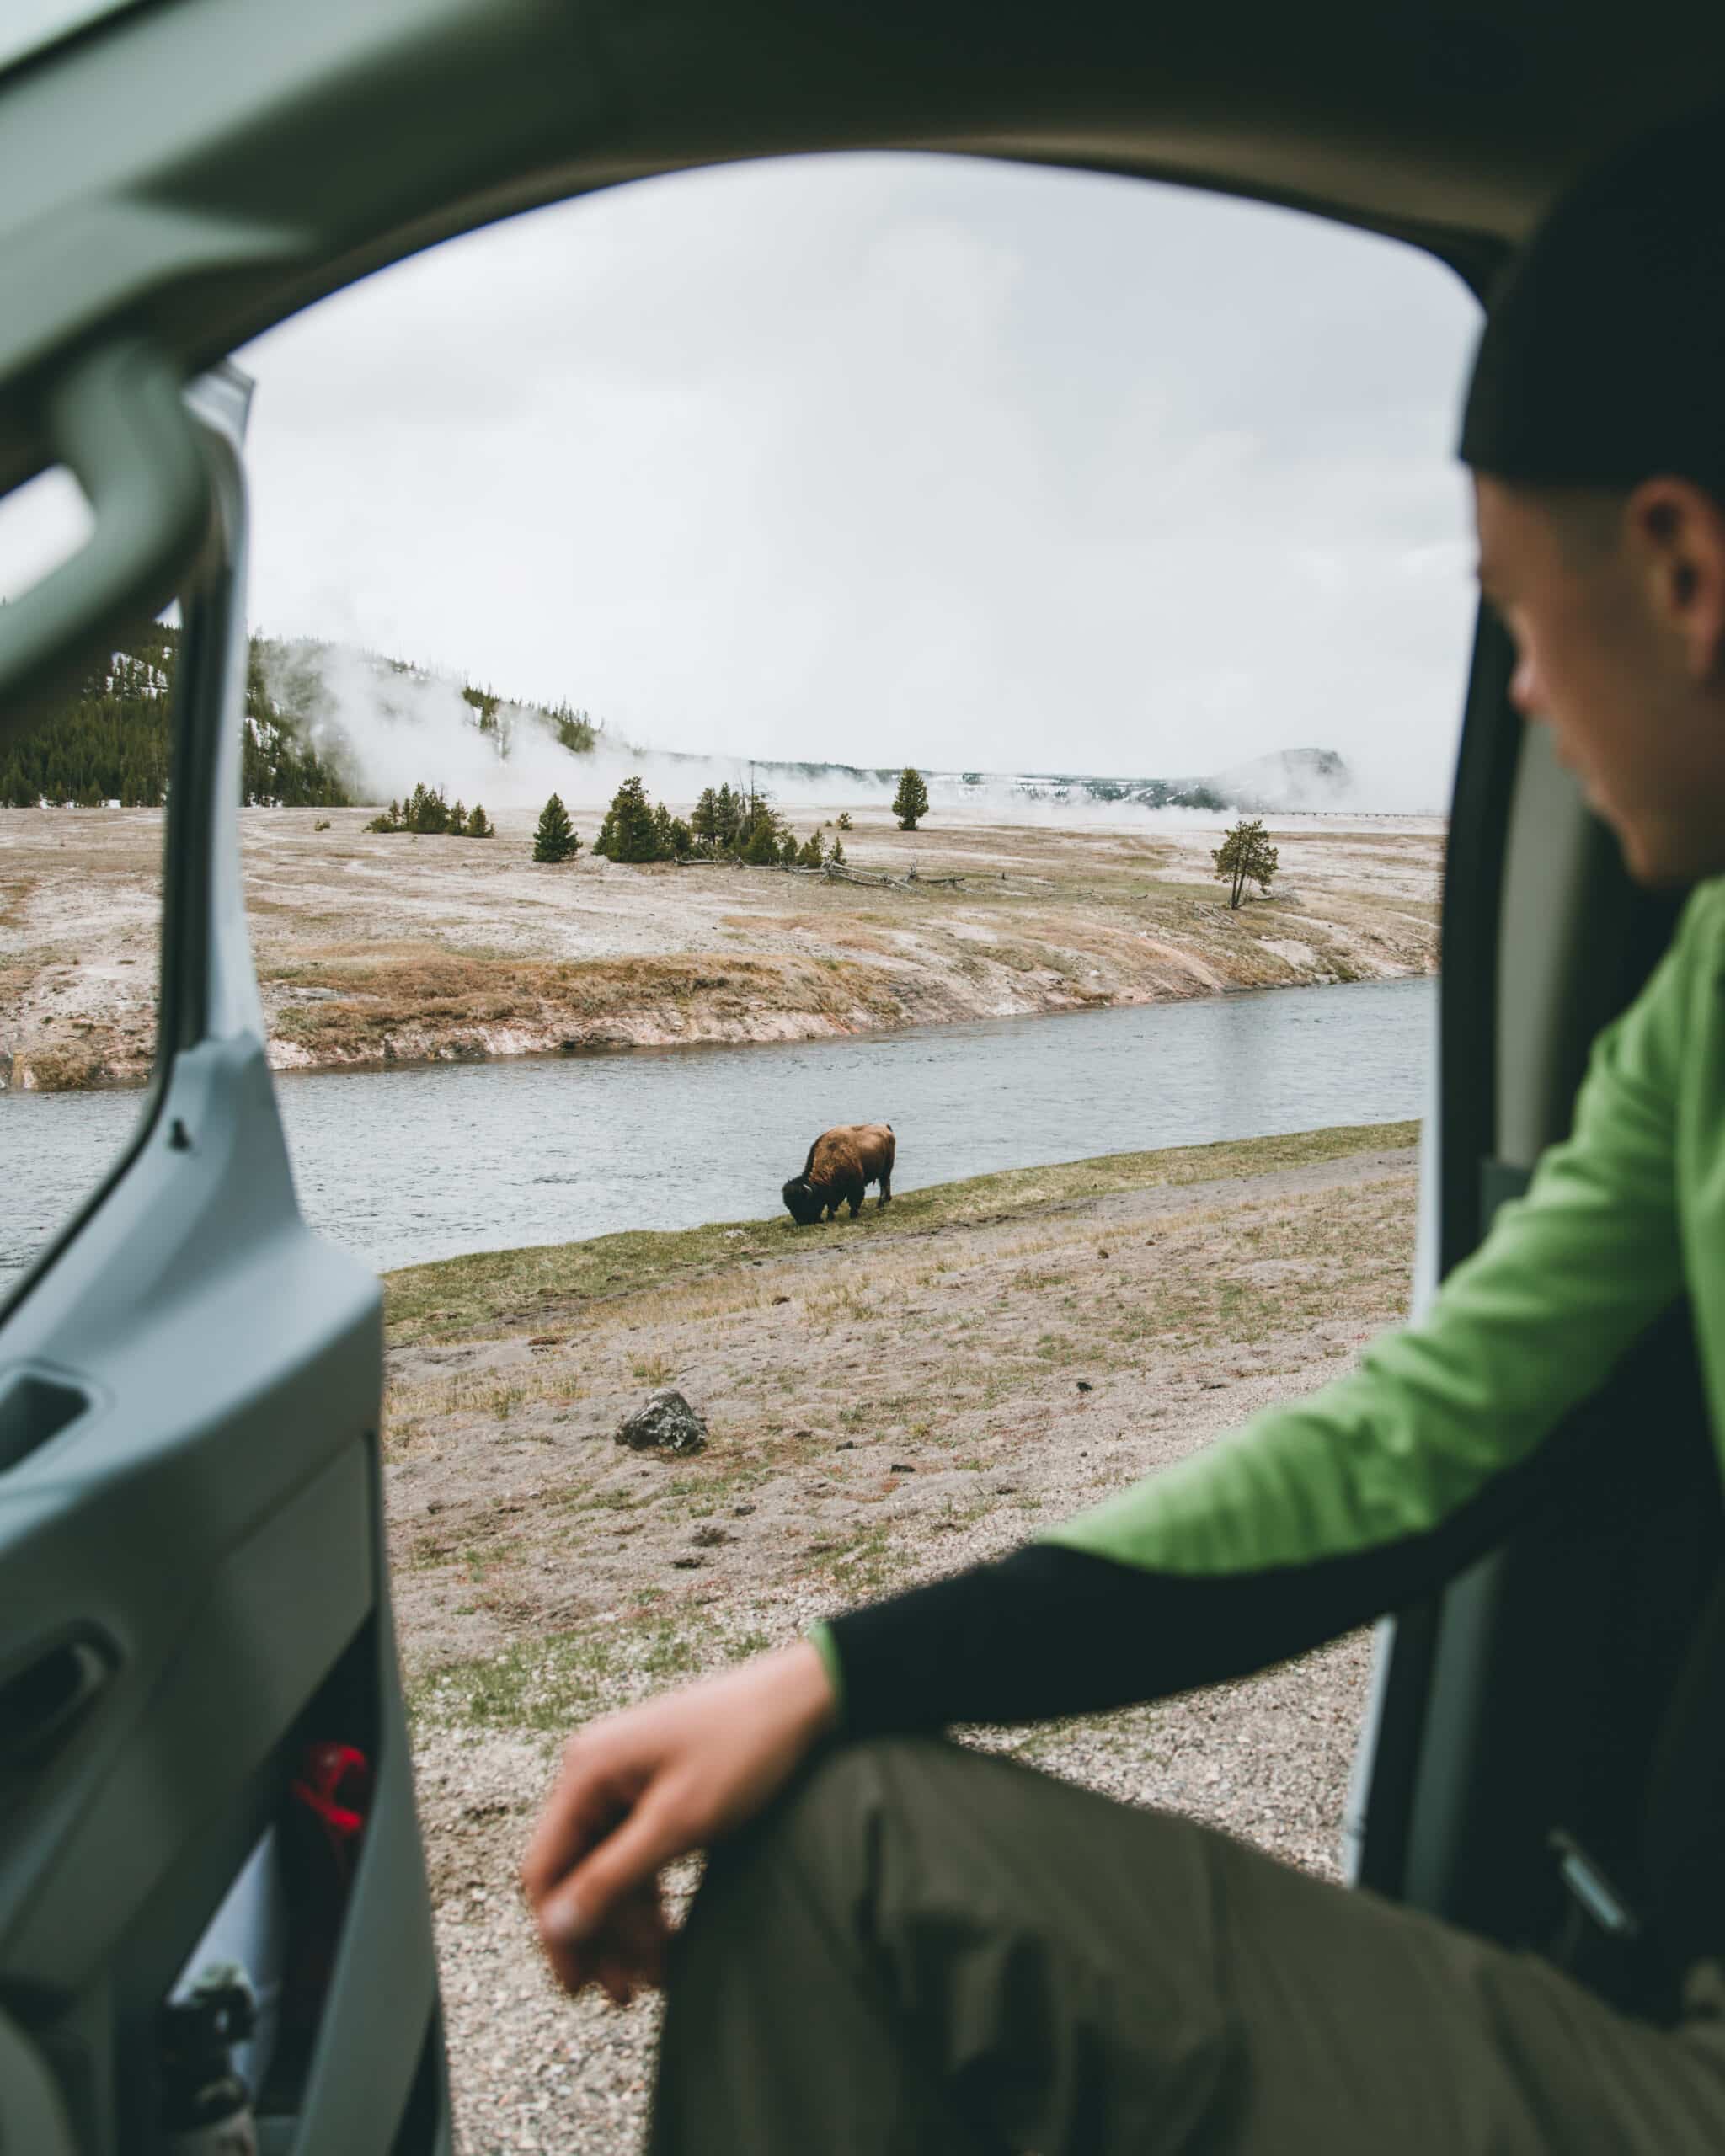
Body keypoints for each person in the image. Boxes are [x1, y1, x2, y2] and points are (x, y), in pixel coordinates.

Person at [521, 109, 1725, 2151]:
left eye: (1517, 616)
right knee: (845, 1798)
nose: (1516, 693)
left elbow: (1410, 1448)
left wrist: (831, 1675)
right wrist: (835, 1664)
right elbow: (1417, 1434)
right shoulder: (1698, 997)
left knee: (845, 1862)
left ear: (1684, 571)